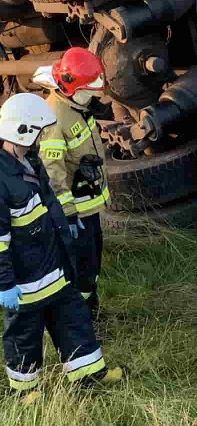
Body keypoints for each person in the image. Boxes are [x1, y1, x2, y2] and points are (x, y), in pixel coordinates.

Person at [0, 93, 122, 403]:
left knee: (74, 319)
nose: (43, 137)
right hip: (25, 281)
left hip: (54, 265)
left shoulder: (29, 160)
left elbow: (50, 200)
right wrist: (4, 284)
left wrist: (66, 222)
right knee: (24, 335)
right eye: (39, 131)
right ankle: (25, 391)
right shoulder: (2, 178)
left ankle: (89, 374)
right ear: (22, 131)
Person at [35, 48, 109, 320]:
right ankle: (82, 323)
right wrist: (67, 212)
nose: (93, 96)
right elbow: (51, 170)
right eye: (89, 91)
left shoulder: (75, 105)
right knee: (83, 268)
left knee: (93, 263)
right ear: (73, 89)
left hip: (88, 207)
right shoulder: (55, 118)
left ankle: (93, 314)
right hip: (76, 212)